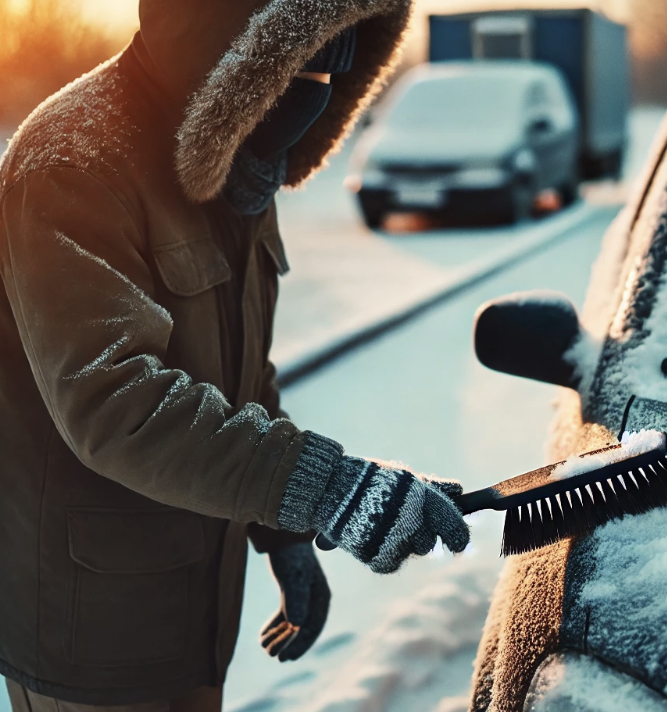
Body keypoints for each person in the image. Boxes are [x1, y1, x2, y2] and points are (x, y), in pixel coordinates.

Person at [0, 0, 470, 710]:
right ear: (234, 43)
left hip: (196, 612)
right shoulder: (71, 161)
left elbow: (241, 373)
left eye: (337, 56)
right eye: (299, 57)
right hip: (90, 633)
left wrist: (279, 524)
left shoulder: (241, 162)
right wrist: (323, 485)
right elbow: (112, 400)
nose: (319, 83)